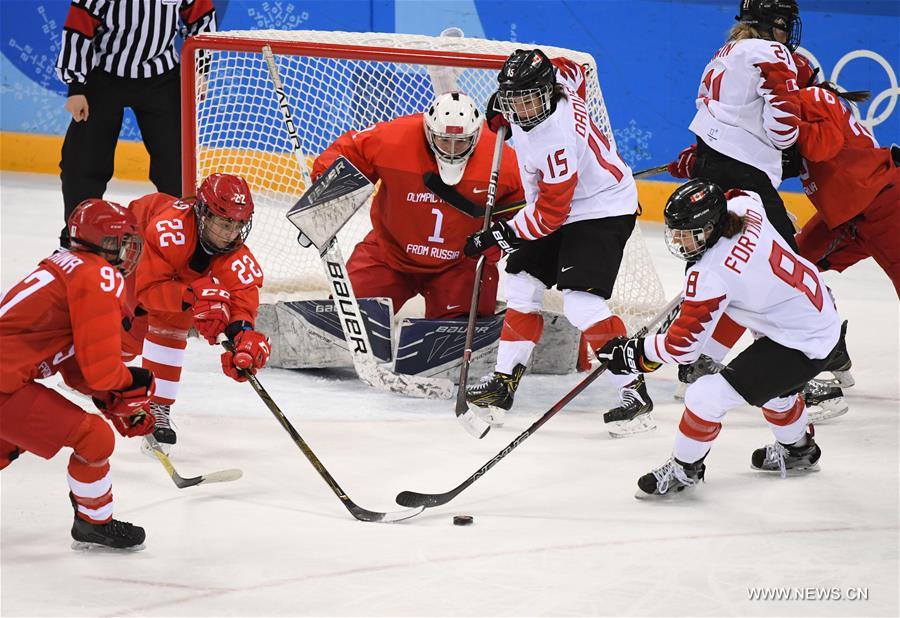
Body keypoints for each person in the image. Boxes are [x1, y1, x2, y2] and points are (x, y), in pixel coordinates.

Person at [596, 180, 847, 498]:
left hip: (800, 339)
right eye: (677, 231)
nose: (679, 240)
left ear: (712, 226)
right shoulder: (746, 209)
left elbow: (682, 347)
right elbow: (743, 192)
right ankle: (798, 450)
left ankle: (684, 471)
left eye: (687, 233)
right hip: (812, 312)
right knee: (773, 390)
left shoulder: (711, 274)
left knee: (705, 396)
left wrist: (632, 352)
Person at [463, 49, 653, 435]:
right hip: (565, 201)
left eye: (528, 99)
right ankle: (503, 385)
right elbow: (574, 68)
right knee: (521, 284)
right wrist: (504, 109)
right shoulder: (558, 83)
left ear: (547, 95)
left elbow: (550, 216)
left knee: (581, 303)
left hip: (601, 208)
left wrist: (501, 233)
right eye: (514, 100)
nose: (522, 109)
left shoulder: (557, 141)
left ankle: (633, 391)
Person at [0, 199, 156, 549]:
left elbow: (77, 368)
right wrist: (133, 385)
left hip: (6, 383)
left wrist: (112, 401)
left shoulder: (67, 265)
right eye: (122, 243)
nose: (129, 252)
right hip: (4, 387)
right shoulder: (97, 273)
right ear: (102, 242)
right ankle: (94, 523)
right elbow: (101, 371)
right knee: (94, 438)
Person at [310, 91, 525, 319]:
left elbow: (523, 209)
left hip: (461, 263)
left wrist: (501, 239)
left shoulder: (502, 159)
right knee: (344, 321)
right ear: (428, 131)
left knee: (458, 338)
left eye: (461, 142)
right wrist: (326, 181)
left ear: (476, 135)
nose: (451, 150)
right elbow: (350, 151)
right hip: (389, 253)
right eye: (444, 140)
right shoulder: (394, 138)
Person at [122, 173, 271, 454]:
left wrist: (242, 334)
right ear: (204, 214)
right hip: (133, 244)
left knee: (171, 319)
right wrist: (193, 295)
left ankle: (157, 407)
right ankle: (96, 369)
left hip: (169, 270)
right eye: (225, 222)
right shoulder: (169, 230)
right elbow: (148, 291)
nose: (232, 232)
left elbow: (242, 297)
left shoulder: (235, 254)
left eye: (239, 224)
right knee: (130, 333)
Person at [55, 0, 216, 245]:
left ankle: (181, 234)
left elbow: (202, 19)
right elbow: (79, 27)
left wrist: (200, 68)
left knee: (176, 163)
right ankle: (79, 236)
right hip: (104, 77)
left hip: (162, 79)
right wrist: (76, 86)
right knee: (83, 160)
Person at [668, 0, 802, 249]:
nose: (787, 32)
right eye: (786, 24)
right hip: (746, 175)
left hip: (710, 166)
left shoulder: (725, 52)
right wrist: (784, 147)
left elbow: (709, 108)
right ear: (775, 23)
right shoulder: (771, 51)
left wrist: (702, 157)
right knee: (784, 258)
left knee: (711, 251)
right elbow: (784, 127)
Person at [791, 53, 900, 297]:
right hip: (852, 215)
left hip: (886, 207)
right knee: (789, 265)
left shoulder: (809, 97)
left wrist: (789, 127)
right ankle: (822, 333)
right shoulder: (809, 101)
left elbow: (823, 147)